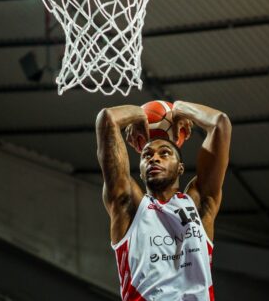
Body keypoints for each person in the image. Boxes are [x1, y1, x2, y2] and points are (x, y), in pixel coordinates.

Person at [95, 101, 232, 301]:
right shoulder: (128, 207)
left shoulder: (198, 203)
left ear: (180, 168)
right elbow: (107, 119)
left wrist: (178, 109)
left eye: (164, 153)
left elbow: (221, 123)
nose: (154, 159)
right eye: (147, 155)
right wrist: (140, 115)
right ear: (141, 171)